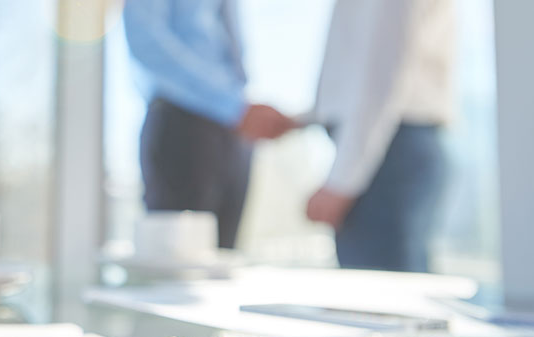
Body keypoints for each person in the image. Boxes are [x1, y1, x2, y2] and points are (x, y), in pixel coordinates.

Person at [123, 0, 293, 249]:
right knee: (177, 265)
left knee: (221, 260)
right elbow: (146, 40)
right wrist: (231, 106)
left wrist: (237, 107)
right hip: (184, 122)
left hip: (233, 126)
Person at [306, 0, 454, 272]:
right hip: (390, 144)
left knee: (382, 301)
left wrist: (343, 180)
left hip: (386, 150)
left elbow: (382, 73)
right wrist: (304, 118)